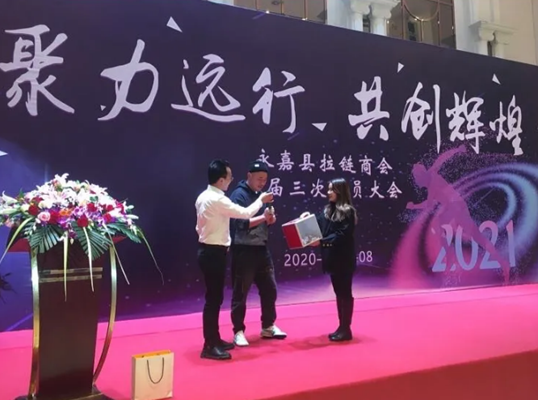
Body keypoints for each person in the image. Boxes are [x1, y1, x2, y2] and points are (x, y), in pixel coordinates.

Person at [195, 159, 274, 360]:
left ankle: (215, 339)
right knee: (213, 300)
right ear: (221, 180)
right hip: (213, 252)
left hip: (208, 250)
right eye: (229, 177)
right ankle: (209, 345)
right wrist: (261, 200)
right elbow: (245, 214)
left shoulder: (203, 196)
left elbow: (199, 227)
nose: (231, 180)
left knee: (215, 299)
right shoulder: (218, 200)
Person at [229, 160, 287, 347]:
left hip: (262, 248)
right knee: (241, 292)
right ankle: (238, 331)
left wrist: (270, 219)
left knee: (270, 289)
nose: (262, 183)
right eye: (259, 179)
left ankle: (268, 326)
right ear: (249, 176)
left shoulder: (262, 196)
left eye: (265, 179)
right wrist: (263, 217)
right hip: (244, 250)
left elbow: (264, 220)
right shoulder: (238, 195)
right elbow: (240, 224)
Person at [307, 178, 357, 342]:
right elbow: (319, 224)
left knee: (345, 292)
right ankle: (341, 327)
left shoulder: (348, 211)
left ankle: (346, 328)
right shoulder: (327, 210)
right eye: (328, 189)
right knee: (338, 292)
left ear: (340, 191)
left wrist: (322, 242)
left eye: (331, 189)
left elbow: (342, 235)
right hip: (332, 259)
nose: (328, 192)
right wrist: (308, 218)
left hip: (344, 258)